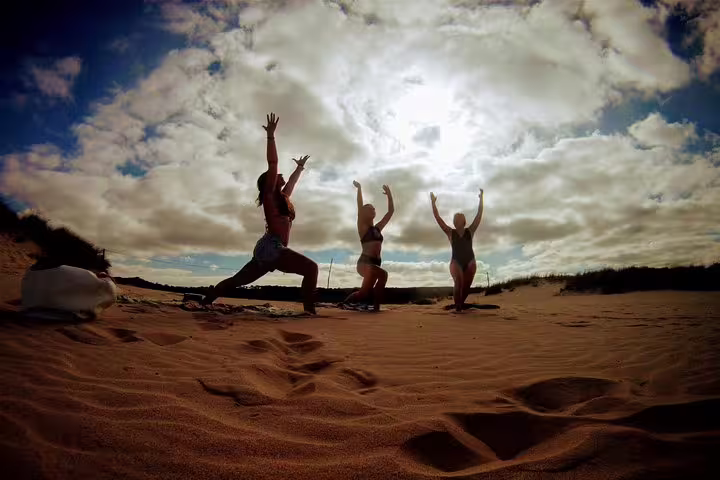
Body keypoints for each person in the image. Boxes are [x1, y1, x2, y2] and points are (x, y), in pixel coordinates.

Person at [202, 113, 318, 313]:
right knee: (311, 268)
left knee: (238, 280)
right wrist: (271, 136)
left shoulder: (282, 199)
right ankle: (309, 311)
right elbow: (273, 164)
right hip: (272, 248)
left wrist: (299, 168)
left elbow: (291, 183)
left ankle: (208, 298)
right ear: (269, 182)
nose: (280, 175)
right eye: (276, 176)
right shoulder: (269, 198)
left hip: (270, 248)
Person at [430, 189, 484, 312]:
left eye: (460, 218)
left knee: (466, 286)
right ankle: (458, 308)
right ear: (454, 221)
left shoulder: (470, 230)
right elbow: (438, 218)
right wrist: (433, 203)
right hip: (456, 261)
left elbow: (479, 215)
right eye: (456, 218)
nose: (458, 220)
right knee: (458, 281)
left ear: (464, 221)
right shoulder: (450, 232)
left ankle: (460, 303)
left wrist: (481, 199)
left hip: (470, 260)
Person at [344, 181, 394, 311]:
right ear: (364, 213)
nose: (372, 210)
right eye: (369, 209)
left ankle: (344, 303)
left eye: (373, 208)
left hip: (376, 263)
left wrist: (389, 195)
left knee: (363, 293)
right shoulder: (363, 227)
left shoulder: (377, 228)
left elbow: (390, 212)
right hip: (364, 263)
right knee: (383, 275)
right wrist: (359, 189)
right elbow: (359, 207)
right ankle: (376, 307)